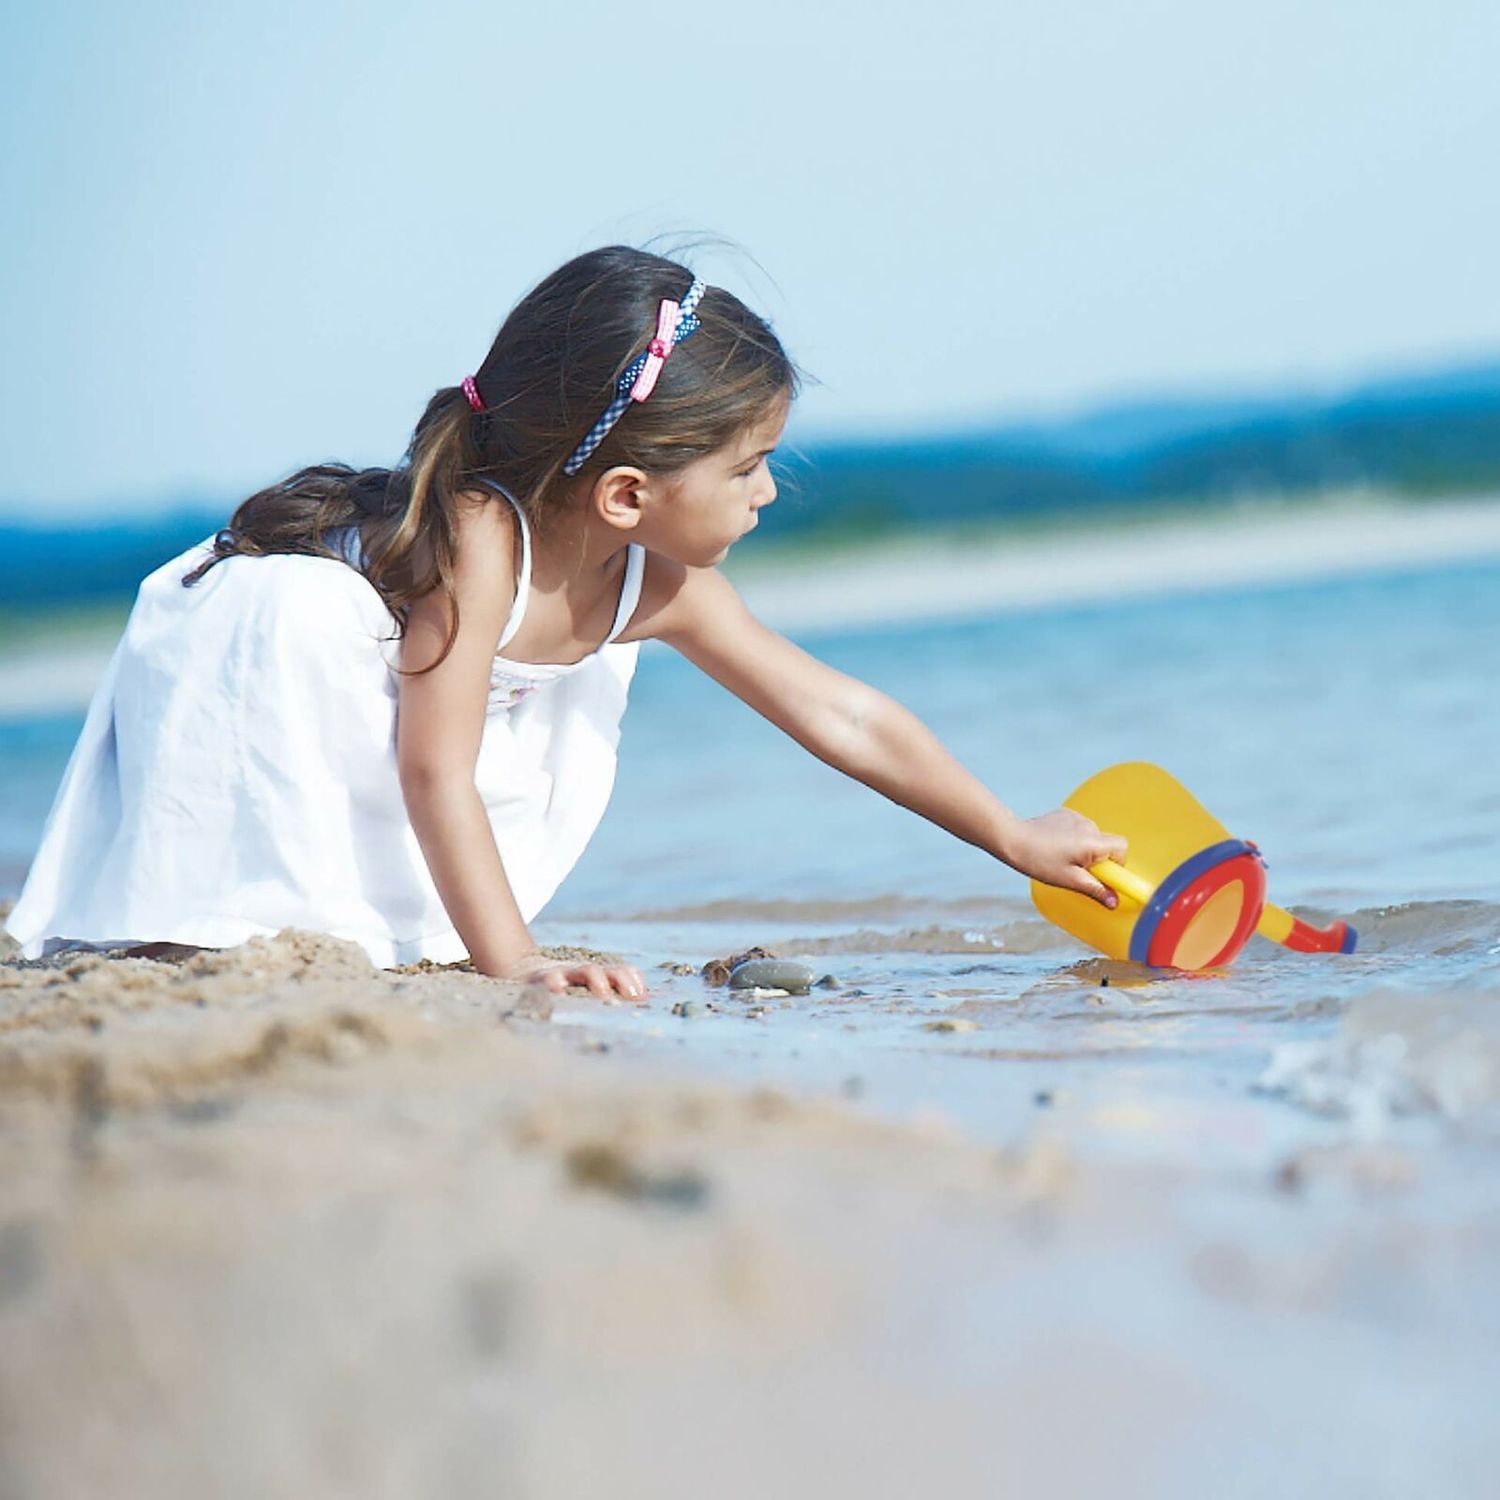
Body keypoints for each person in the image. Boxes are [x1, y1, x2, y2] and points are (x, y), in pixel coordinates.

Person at [6, 246, 1126, 998]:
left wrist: (1009, 833)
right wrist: (518, 967)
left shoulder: (652, 587)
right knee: (264, 837)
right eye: (750, 467)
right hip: (267, 667)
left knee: (594, 679)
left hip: (392, 713)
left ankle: (419, 934)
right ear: (628, 495)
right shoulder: (483, 538)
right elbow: (435, 773)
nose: (769, 494)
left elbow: (838, 712)